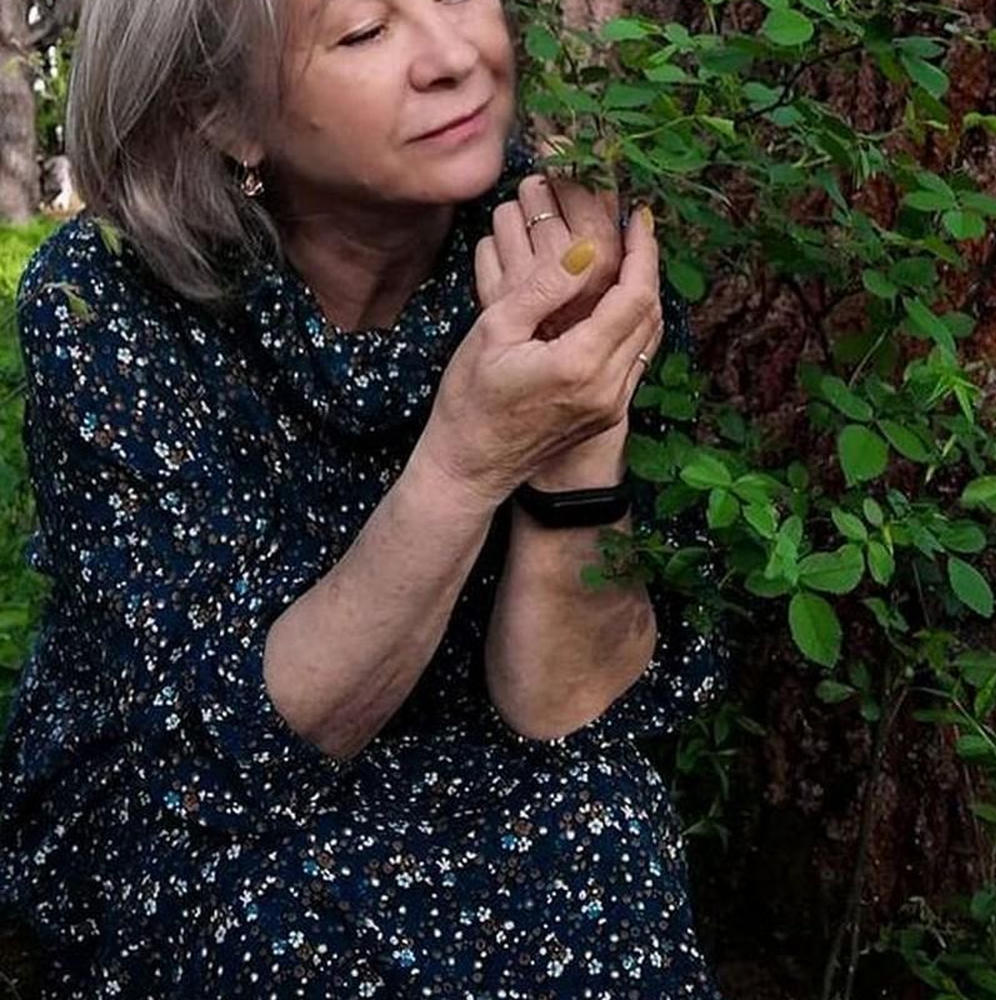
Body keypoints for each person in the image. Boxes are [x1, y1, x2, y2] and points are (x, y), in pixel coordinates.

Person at [0, 0, 728, 995]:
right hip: (195, 790)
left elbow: (566, 710)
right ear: (223, 114)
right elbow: (233, 757)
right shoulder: (107, 299)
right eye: (364, 32)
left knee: (604, 829)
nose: (452, 57)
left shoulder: (556, 250)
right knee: (276, 929)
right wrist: (467, 458)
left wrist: (576, 436)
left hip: (485, 758)